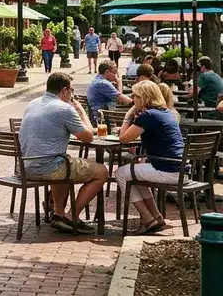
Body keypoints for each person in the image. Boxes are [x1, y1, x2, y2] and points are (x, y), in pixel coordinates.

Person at [18, 72, 108, 234]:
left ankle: (59, 215)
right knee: (102, 172)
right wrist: (80, 111)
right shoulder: (64, 108)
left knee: (63, 161)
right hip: (48, 167)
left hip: (25, 166)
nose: (72, 94)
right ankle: (72, 216)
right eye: (71, 90)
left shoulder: (33, 103)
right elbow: (87, 137)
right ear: (65, 90)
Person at [115, 81, 184, 235]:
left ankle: (148, 219)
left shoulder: (148, 115)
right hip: (179, 168)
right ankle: (157, 217)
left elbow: (123, 139)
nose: (133, 99)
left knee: (120, 173)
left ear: (145, 97)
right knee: (135, 176)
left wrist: (128, 116)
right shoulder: (166, 112)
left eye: (136, 96)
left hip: (167, 169)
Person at [86, 60, 132, 125]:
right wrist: (119, 82)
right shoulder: (103, 83)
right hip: (103, 118)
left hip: (101, 114)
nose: (116, 76)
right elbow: (124, 100)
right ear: (107, 72)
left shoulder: (97, 80)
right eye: (114, 73)